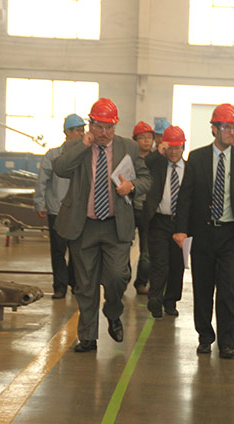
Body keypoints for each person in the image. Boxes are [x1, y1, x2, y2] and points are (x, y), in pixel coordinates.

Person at [53, 98, 151, 353]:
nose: (103, 133)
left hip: (115, 225)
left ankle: (113, 310)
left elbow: (146, 178)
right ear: (90, 125)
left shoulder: (128, 147)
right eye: (98, 127)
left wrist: (132, 186)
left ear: (115, 126)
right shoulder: (76, 146)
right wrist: (82, 146)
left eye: (109, 127)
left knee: (118, 277)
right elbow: (60, 169)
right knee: (85, 285)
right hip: (83, 225)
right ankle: (87, 336)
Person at [173, 103, 234, 359]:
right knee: (203, 289)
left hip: (232, 235)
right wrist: (180, 229)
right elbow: (186, 196)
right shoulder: (197, 158)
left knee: (229, 289)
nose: (232, 132)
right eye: (227, 127)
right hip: (203, 234)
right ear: (214, 129)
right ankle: (205, 336)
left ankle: (227, 341)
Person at [34, 114, 84, 299]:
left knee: (77, 250)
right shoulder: (53, 155)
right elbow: (43, 180)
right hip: (57, 209)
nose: (81, 134)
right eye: (77, 130)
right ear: (66, 132)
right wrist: (40, 203)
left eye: (83, 130)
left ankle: (75, 282)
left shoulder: (85, 155)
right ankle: (60, 287)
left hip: (78, 211)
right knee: (58, 250)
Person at [143, 125, 187, 318]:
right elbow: (143, 165)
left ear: (183, 147)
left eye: (177, 148)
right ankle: (155, 298)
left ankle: (171, 301)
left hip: (182, 224)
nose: (174, 152)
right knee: (159, 262)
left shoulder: (190, 169)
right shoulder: (157, 166)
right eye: (170, 148)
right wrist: (157, 152)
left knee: (177, 264)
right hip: (159, 221)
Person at [131, 121, 155, 295]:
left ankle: (141, 282)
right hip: (130, 208)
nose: (146, 141)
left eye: (149, 137)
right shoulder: (129, 159)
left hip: (148, 210)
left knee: (146, 251)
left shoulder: (157, 160)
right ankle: (123, 278)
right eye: (142, 137)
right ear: (135, 140)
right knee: (123, 247)